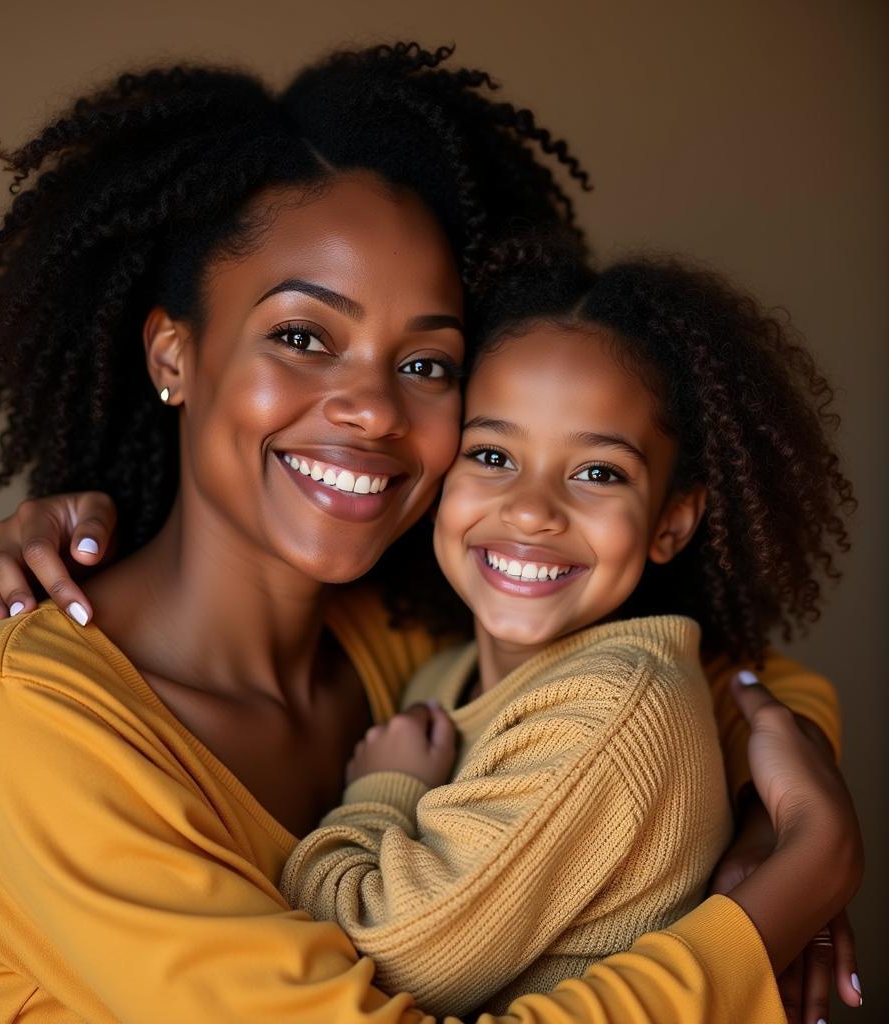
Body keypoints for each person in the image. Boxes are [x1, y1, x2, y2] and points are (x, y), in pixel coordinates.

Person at [0, 44, 860, 1023]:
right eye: (301, 336)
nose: (371, 408)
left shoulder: (405, 643)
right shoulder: (22, 719)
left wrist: (765, 813)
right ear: (174, 352)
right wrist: (780, 903)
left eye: (425, 363)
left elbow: (730, 689)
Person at [277, 241, 855, 1017]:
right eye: (491, 454)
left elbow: (379, 952)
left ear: (672, 523)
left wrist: (383, 792)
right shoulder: (441, 678)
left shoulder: (613, 712)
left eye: (598, 473)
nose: (532, 509)